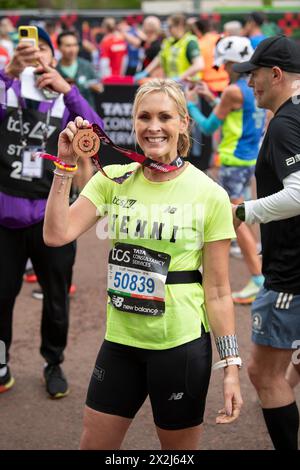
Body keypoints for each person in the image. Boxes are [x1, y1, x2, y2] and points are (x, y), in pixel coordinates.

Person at [43, 79, 243, 450]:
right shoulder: (113, 179)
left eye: (165, 117)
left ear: (183, 122)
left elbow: (218, 291)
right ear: (134, 123)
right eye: (144, 117)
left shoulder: (209, 194)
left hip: (179, 346)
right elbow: (57, 234)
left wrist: (230, 367)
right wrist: (65, 165)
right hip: (120, 342)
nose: (153, 126)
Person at [0, 26, 103, 398]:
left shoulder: (65, 97)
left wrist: (69, 90)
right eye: (27, 48)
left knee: (56, 296)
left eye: (42, 48)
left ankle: (53, 363)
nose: (36, 55)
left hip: (52, 217)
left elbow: (97, 135)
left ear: (55, 57)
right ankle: (1, 361)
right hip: (5, 216)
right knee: (1, 294)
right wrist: (8, 72)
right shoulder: (7, 87)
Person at [232, 35, 300, 449]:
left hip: (291, 274)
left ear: (275, 75)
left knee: (262, 374)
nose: (249, 83)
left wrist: (243, 211)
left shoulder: (286, 124)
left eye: (254, 75)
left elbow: (298, 194)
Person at [185, 36, 266, 305]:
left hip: (233, 160)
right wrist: (212, 97)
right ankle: (258, 273)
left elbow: (208, 127)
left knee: (236, 218)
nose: (224, 70)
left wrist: (191, 105)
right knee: (241, 215)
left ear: (232, 62)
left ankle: (257, 277)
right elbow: (235, 107)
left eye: (225, 65)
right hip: (247, 159)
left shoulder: (233, 91)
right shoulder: (251, 86)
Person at [134, 14, 204, 83]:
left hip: (189, 85)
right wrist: (146, 72)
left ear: (179, 25)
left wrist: (180, 78)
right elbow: (159, 58)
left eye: (170, 27)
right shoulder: (168, 42)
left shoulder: (190, 42)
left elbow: (199, 65)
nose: (168, 30)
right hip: (173, 84)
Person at [56, 30, 102, 109]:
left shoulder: (86, 66)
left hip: (87, 115)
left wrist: (93, 86)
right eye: (68, 45)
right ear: (59, 47)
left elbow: (100, 87)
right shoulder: (55, 70)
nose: (72, 49)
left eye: (75, 45)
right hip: (63, 115)